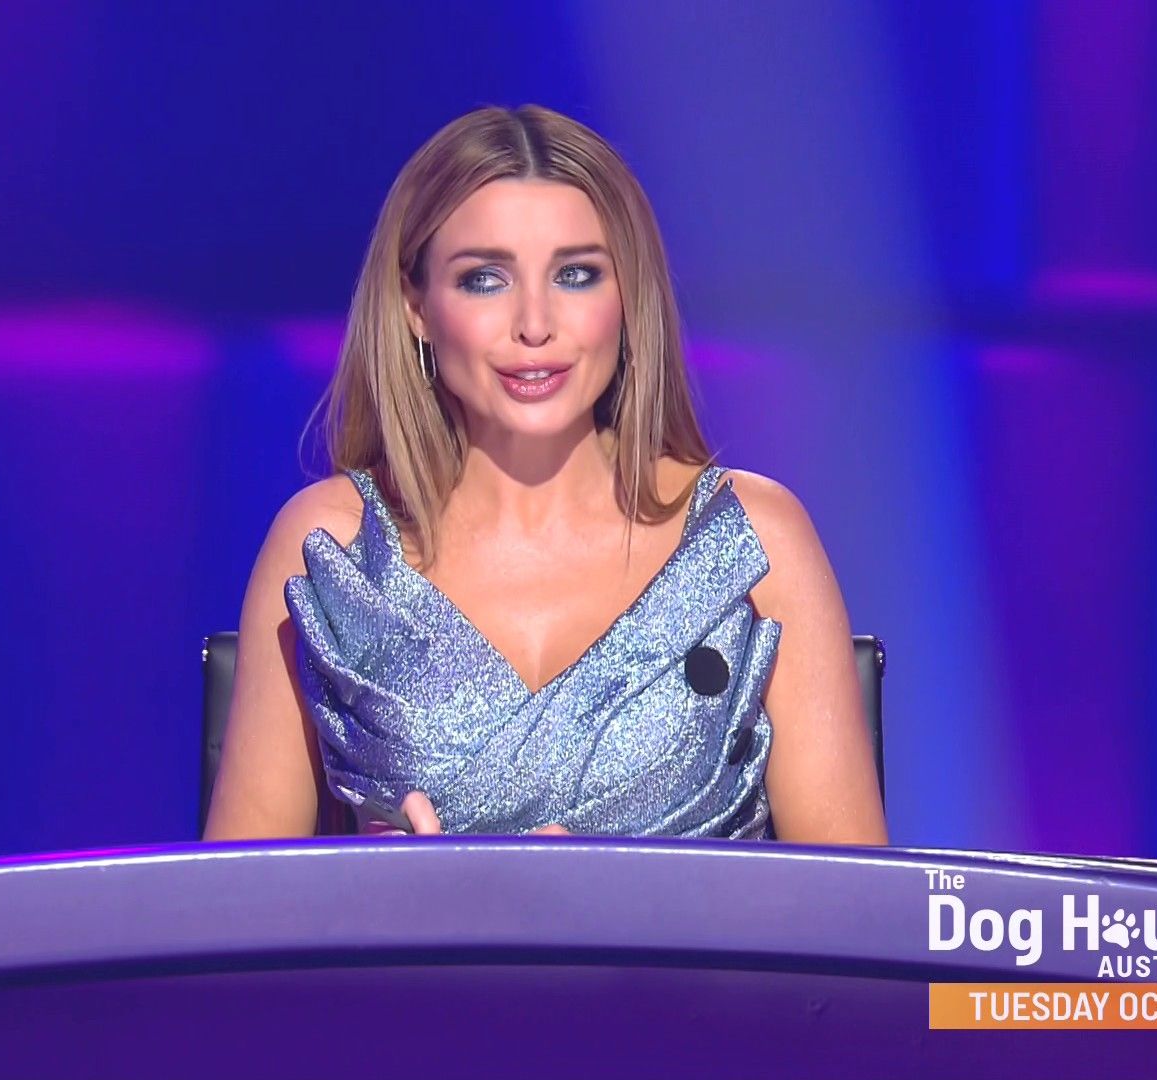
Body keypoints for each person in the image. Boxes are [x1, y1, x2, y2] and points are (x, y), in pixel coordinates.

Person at [203, 104, 887, 845]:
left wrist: (618, 901)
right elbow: (233, 907)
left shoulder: (753, 540)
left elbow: (853, 906)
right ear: (415, 307)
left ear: (628, 298)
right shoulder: (331, 547)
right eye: (485, 279)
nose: (535, 323)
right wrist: (383, 893)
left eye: (575, 275)